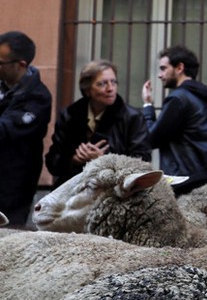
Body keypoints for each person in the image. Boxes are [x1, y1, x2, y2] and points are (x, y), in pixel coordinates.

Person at [140, 44, 207, 195]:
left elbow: (151, 139)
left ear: (179, 68)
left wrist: (148, 105)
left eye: (163, 68)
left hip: (187, 180)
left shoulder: (178, 98)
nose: (159, 74)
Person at [45, 59, 151, 186]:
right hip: (74, 190)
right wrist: (73, 159)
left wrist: (104, 159)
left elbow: (142, 162)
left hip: (114, 191)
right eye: (102, 84)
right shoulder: (70, 115)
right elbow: (53, 162)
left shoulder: (133, 118)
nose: (110, 89)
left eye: (113, 82)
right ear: (87, 89)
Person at [0, 31, 52, 227]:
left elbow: (6, 131)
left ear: (21, 64)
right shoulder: (3, 87)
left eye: (1, 62)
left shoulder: (38, 97)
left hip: (11, 190)